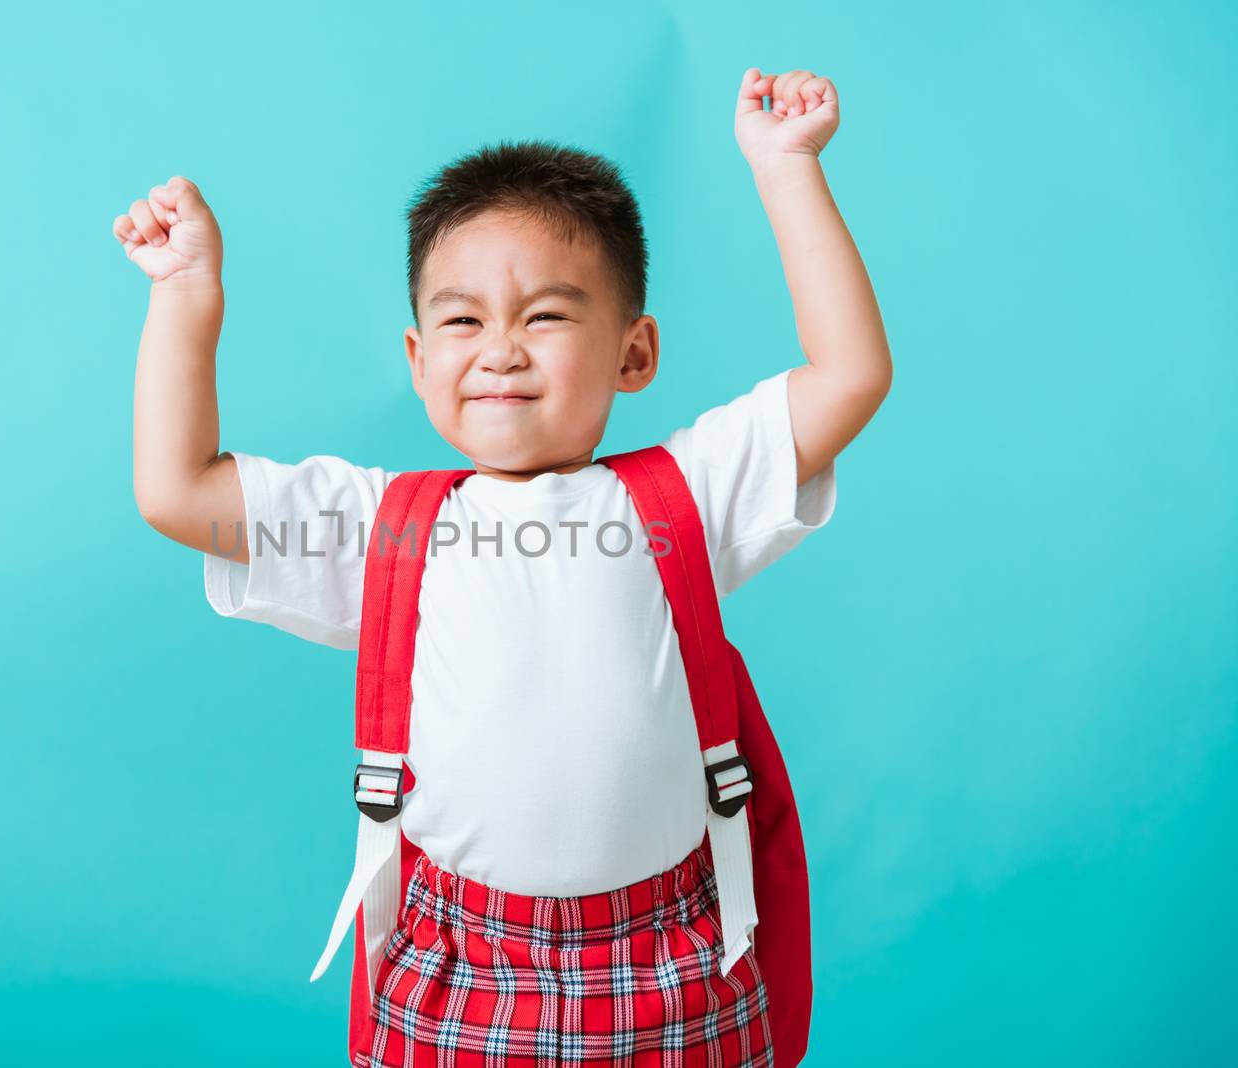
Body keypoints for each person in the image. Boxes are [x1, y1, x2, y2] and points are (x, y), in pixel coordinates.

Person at [113, 67, 890, 1067]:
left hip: (674, 964)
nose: (501, 351)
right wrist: (183, 295)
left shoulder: (687, 497)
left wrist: (787, 172)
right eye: (463, 319)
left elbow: (849, 375)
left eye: (548, 315)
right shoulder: (379, 528)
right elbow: (176, 492)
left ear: (634, 352)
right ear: (415, 356)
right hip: (454, 972)